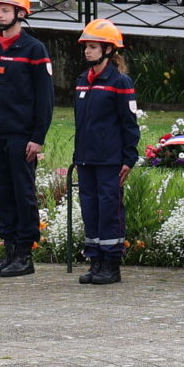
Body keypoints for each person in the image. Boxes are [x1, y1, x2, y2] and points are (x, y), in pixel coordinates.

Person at [0, 0, 54, 278]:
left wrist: (37, 138)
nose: (0, 15)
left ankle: (24, 254)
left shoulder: (34, 49)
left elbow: (45, 99)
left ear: (21, 13)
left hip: (21, 137)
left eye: (5, 10)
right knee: (1, 194)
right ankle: (9, 251)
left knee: (23, 194)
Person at [69, 20, 142, 285]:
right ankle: (95, 261)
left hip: (110, 160)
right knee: (90, 209)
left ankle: (111, 264)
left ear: (108, 50)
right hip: (86, 159)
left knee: (109, 209)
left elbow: (129, 124)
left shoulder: (120, 82)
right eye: (86, 47)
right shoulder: (81, 82)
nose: (87, 52)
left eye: (92, 47)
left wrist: (128, 158)